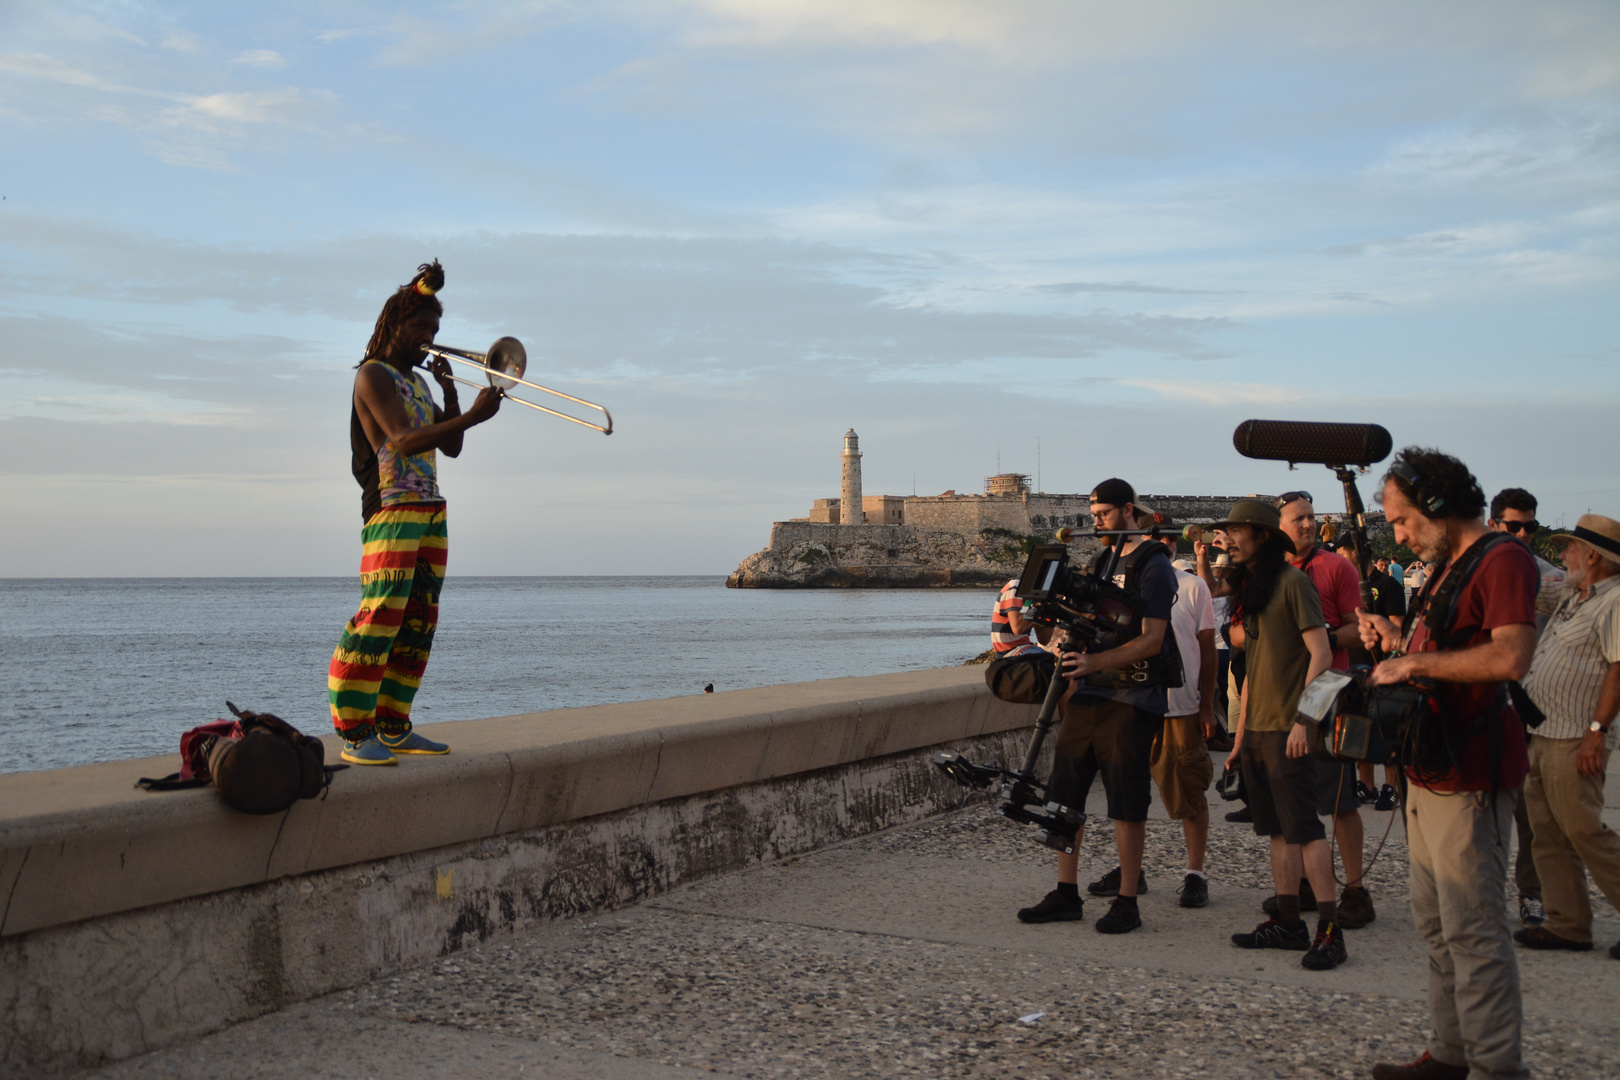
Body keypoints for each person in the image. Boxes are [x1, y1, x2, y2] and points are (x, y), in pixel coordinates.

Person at [1360, 448, 1537, 1080]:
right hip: (1431, 771)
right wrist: (1396, 638)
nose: (1400, 536)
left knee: (1475, 934)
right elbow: (1445, 647)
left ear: (1437, 506)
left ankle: (1495, 1067)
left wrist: (1414, 664)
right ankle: (1450, 1053)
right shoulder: (1448, 566)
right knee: (1437, 928)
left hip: (1472, 775)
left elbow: (1510, 657)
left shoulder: (1504, 559)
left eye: (1404, 520)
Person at [327, 261, 503, 766]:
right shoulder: (372, 376)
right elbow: (402, 442)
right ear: (394, 325)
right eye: (420, 327)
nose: (429, 338)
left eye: (435, 330)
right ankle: (355, 732)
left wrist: (451, 396)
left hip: (429, 507)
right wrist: (471, 414)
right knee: (380, 615)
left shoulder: (420, 384)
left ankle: (394, 723)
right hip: (389, 508)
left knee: (418, 620)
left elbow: (451, 451)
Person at [1015, 479, 1179, 935]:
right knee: (1067, 793)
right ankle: (1066, 892)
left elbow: (1152, 639)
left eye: (1103, 514)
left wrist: (1095, 660)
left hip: (1133, 695)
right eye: (1092, 515)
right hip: (1090, 692)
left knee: (1127, 801)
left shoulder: (1154, 564)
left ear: (1128, 511)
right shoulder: (1102, 560)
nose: (1096, 522)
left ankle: (1128, 899)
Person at [1213, 500, 1342, 970]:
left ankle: (1330, 929)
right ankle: (1289, 921)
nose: (1228, 539)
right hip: (1261, 730)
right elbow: (1252, 671)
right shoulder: (1257, 590)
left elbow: (1322, 656)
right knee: (1276, 832)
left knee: (1305, 829)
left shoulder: (1294, 584)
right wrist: (1241, 735)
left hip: (1290, 729)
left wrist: (1305, 722)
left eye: (1236, 531)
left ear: (1262, 536)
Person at [1272, 492, 1377, 930]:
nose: (1309, 524)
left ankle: (1354, 889)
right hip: (1279, 701)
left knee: (1340, 801)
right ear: (1278, 524)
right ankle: (1301, 885)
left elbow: (1363, 629)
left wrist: (1322, 639)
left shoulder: (1337, 567)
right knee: (1290, 803)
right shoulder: (1268, 572)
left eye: (1312, 517)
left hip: (1329, 699)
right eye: (1299, 518)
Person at [1517, 514, 1620, 959]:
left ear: (1593, 556)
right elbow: (1526, 594)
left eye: (1570, 549)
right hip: (1542, 731)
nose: (1563, 556)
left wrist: (1597, 733)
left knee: (1583, 830)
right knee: (1547, 833)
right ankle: (1568, 924)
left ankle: (1571, 921)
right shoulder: (1575, 594)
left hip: (1574, 737)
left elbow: (1619, 667)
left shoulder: (1614, 601)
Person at [1488, 487, 1562, 926]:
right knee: (1484, 813)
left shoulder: (1549, 578)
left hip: (1532, 709)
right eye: (1514, 526)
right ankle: (1485, 893)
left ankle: (1531, 893)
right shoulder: (1475, 571)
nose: (1523, 534)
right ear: (1495, 523)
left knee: (1532, 815)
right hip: (1485, 707)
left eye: (1530, 527)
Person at [1358, 555, 1407, 812]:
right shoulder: (1347, 584)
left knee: (1387, 727)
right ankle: (1366, 784)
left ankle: (1391, 787)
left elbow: (1398, 627)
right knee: (1360, 726)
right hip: (1356, 667)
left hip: (1383, 664)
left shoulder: (1388, 585)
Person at [991, 576, 1051, 656]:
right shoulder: (1016, 587)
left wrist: (1051, 609)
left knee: (1062, 661)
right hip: (1010, 652)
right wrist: (1041, 605)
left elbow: (1044, 640)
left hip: (1025, 648)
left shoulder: (1034, 599)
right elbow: (1017, 628)